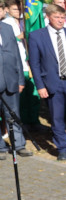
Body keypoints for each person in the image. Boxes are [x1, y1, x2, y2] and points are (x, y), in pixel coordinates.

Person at [29, 4, 66, 160]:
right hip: (52, 84)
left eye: (63, 17)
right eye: (57, 17)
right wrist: (40, 86)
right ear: (48, 17)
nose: (61, 20)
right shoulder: (37, 36)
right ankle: (62, 148)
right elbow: (35, 64)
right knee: (57, 118)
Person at [0, 20, 31, 158]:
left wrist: (19, 80)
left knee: (13, 114)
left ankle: (18, 144)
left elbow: (16, 55)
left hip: (10, 80)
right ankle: (0, 148)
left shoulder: (7, 28)